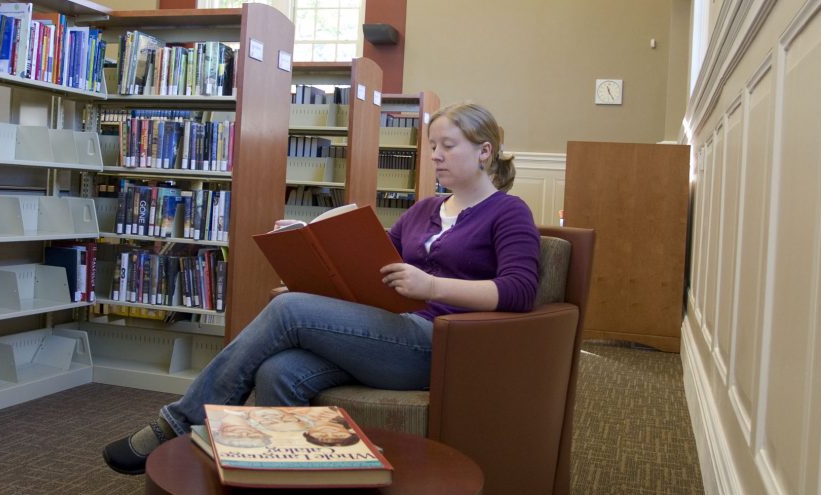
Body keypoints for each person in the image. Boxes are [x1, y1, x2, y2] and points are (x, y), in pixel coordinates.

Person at [102, 102, 541, 475]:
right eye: (432, 147)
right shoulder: (423, 209)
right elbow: (369, 266)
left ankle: (178, 424)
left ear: (485, 152)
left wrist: (430, 284)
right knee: (280, 371)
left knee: (290, 311)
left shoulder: (508, 212)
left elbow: (520, 291)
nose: (437, 157)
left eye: (449, 146)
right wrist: (311, 270)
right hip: (385, 334)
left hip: (437, 344)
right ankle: (281, 483)